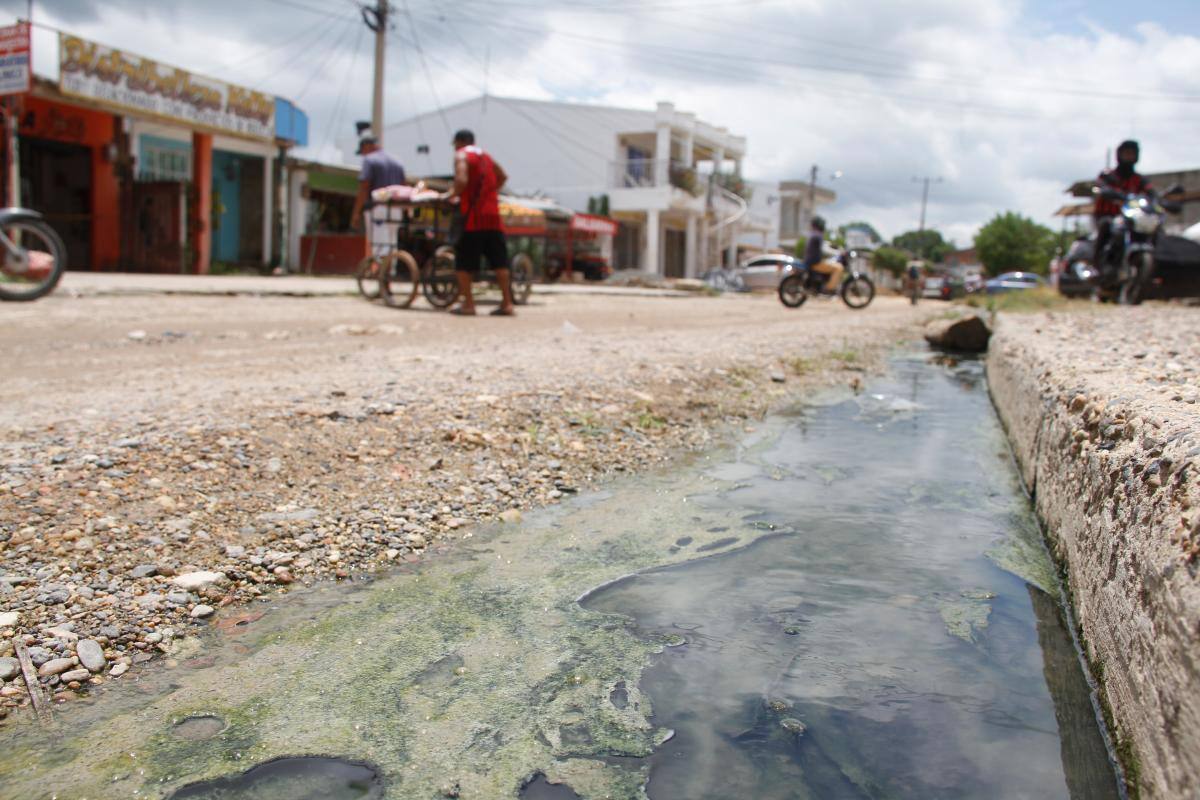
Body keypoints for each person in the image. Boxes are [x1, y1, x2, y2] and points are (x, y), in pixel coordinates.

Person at [446, 129, 513, 316]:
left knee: (464, 264)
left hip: (472, 218)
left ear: (459, 142)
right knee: (500, 263)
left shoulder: (462, 155)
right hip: (493, 217)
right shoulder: (487, 157)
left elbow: (461, 180)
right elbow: (503, 177)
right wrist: (489, 193)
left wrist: (450, 195)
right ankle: (507, 303)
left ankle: (469, 304)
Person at [1093, 140, 1151, 276]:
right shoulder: (1107, 175)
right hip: (1107, 216)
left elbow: (1151, 193)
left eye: (1132, 154)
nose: (1129, 157)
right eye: (1127, 153)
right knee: (1105, 226)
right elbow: (1100, 186)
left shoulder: (1140, 179)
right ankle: (1097, 265)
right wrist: (1108, 191)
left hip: (1131, 219)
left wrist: (1160, 200)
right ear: (1119, 155)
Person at [350, 130, 406, 233]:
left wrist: (356, 213)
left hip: (377, 209)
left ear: (366, 146)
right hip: (396, 210)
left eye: (362, 151)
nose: (363, 155)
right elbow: (403, 187)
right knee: (392, 245)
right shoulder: (397, 161)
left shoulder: (369, 160)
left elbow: (364, 187)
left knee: (378, 247)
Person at [804, 216, 842, 292]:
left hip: (810, 261)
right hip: (815, 262)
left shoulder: (813, 234)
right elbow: (824, 248)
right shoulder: (818, 235)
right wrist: (838, 252)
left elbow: (825, 244)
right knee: (839, 268)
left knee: (829, 263)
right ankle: (829, 288)